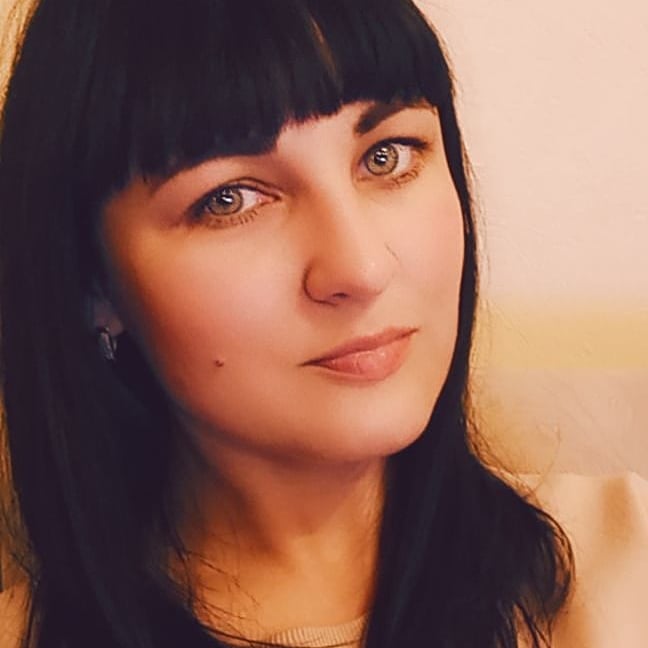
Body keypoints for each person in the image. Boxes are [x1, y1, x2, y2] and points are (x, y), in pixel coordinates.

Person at [0, 1, 647, 647]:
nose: (362, 267)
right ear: (93, 284)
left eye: (387, 156)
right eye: (230, 198)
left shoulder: (625, 560)